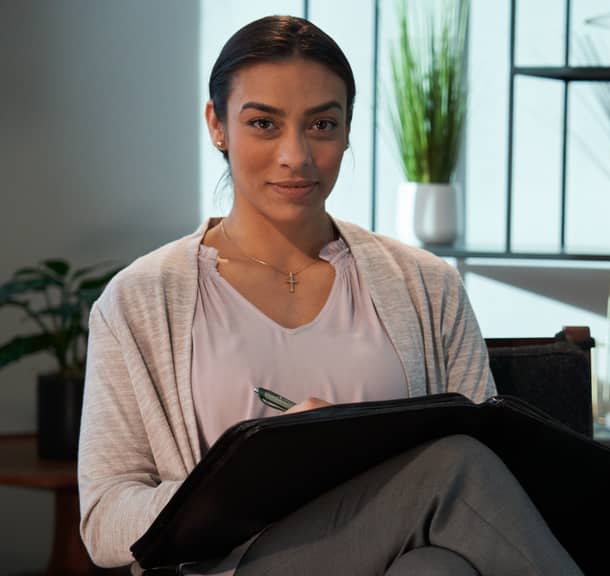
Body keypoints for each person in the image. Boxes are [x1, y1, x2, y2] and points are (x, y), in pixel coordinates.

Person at [77, 15, 583, 576]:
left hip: (401, 552)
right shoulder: (140, 299)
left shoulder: (426, 283)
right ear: (216, 125)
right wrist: (255, 475)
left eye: (321, 124)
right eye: (264, 124)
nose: (296, 155)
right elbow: (104, 521)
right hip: (229, 568)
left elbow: (497, 477)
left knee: (439, 569)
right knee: (453, 464)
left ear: (346, 130)